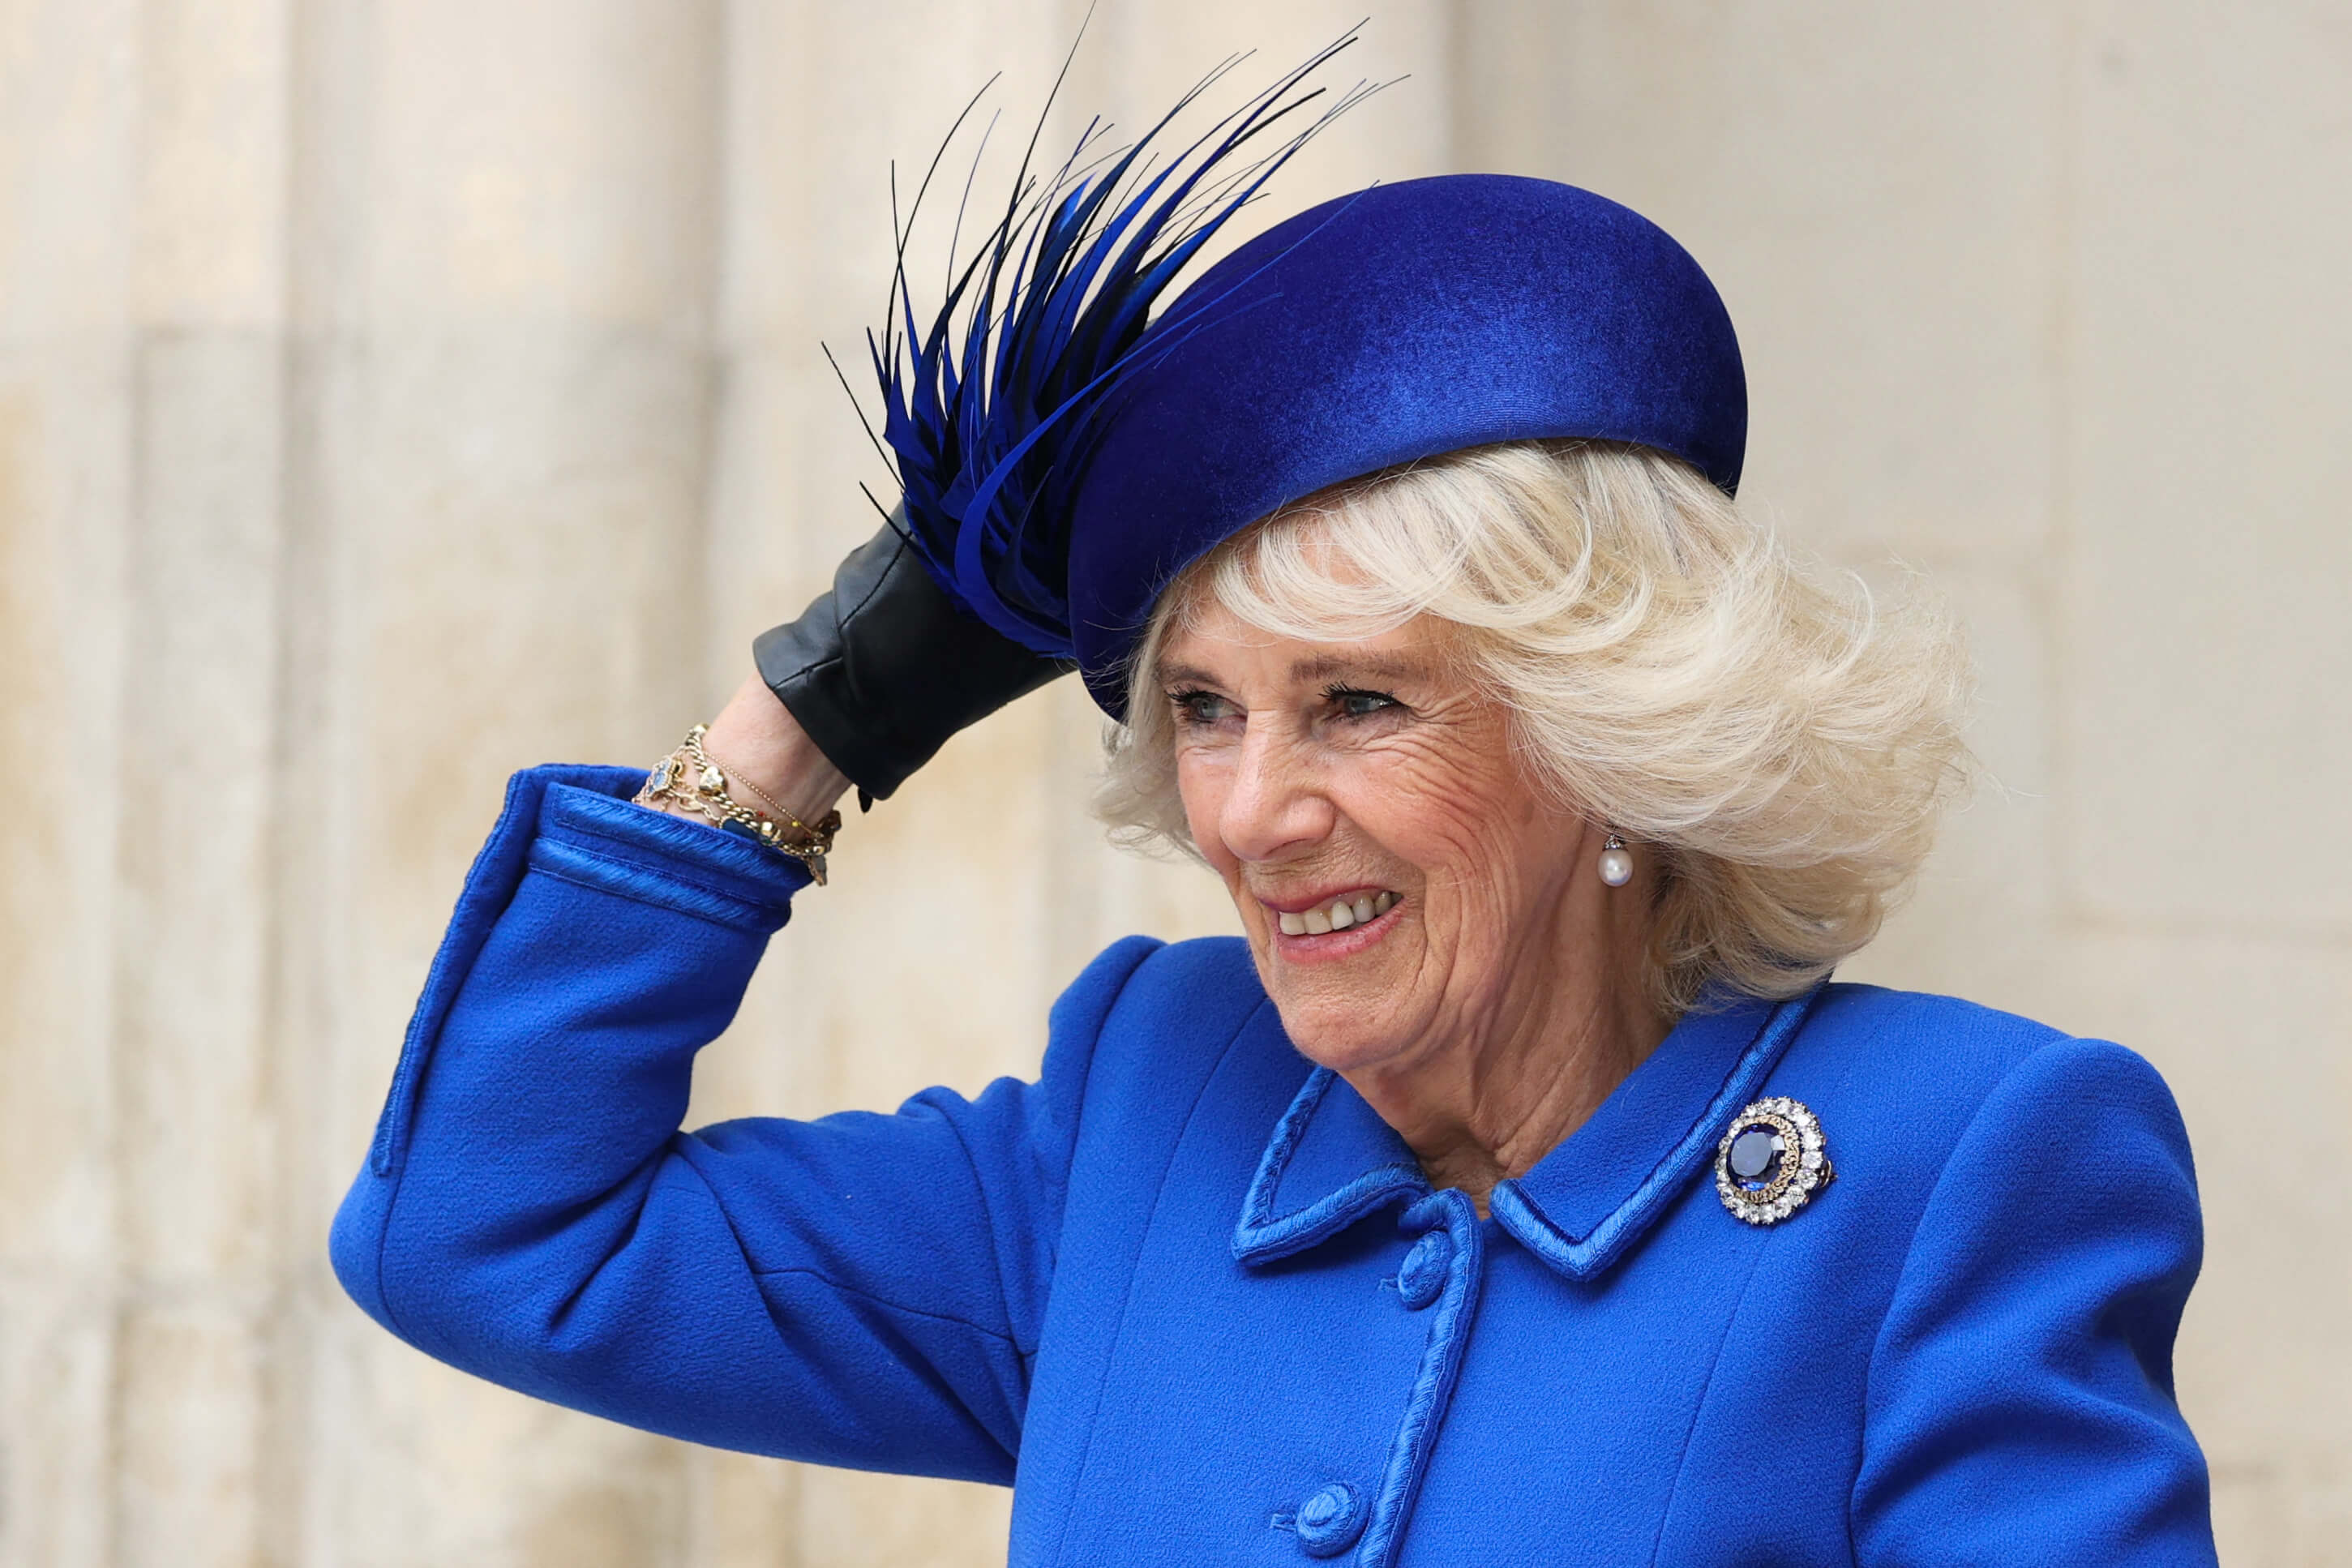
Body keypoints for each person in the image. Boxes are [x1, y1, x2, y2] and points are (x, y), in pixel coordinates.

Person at [331, 69, 2219, 1567]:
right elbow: (490, 1234)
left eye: (1357, 704)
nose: (1243, 810)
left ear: (1610, 736)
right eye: (1203, 709)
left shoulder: (1957, 1164)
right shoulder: (1154, 1112)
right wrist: (813, 717)